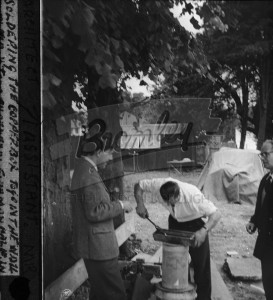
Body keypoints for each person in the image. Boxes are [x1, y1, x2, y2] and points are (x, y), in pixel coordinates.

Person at [134, 177, 221, 300]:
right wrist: (140, 204)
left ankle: (203, 297)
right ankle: (181, 295)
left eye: (173, 202)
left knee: (201, 265)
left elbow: (217, 214)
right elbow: (138, 185)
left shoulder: (193, 195)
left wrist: (203, 231)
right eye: (167, 203)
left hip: (196, 223)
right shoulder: (158, 185)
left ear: (178, 194)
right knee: (177, 261)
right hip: (176, 221)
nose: (170, 205)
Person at [70, 133, 132, 300]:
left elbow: (91, 204)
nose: (111, 157)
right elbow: (94, 212)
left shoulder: (84, 169)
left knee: (99, 293)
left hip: (93, 246)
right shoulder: (88, 174)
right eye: (110, 152)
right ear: (98, 152)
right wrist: (121, 205)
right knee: (115, 294)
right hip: (99, 248)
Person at [246, 139, 273, 300]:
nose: (262, 157)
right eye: (261, 154)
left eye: (266, 154)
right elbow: (261, 207)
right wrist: (254, 221)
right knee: (268, 279)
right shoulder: (266, 179)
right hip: (266, 240)